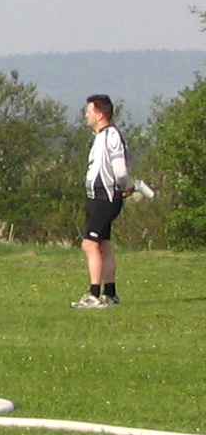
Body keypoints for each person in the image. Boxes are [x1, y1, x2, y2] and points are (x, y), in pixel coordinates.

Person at [75, 94, 132, 309]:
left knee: (90, 244)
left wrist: (124, 186)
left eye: (89, 111)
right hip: (96, 196)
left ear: (99, 114)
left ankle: (93, 294)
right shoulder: (100, 136)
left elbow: (119, 169)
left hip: (105, 197)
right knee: (104, 245)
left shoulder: (111, 135)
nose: (86, 115)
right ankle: (110, 294)